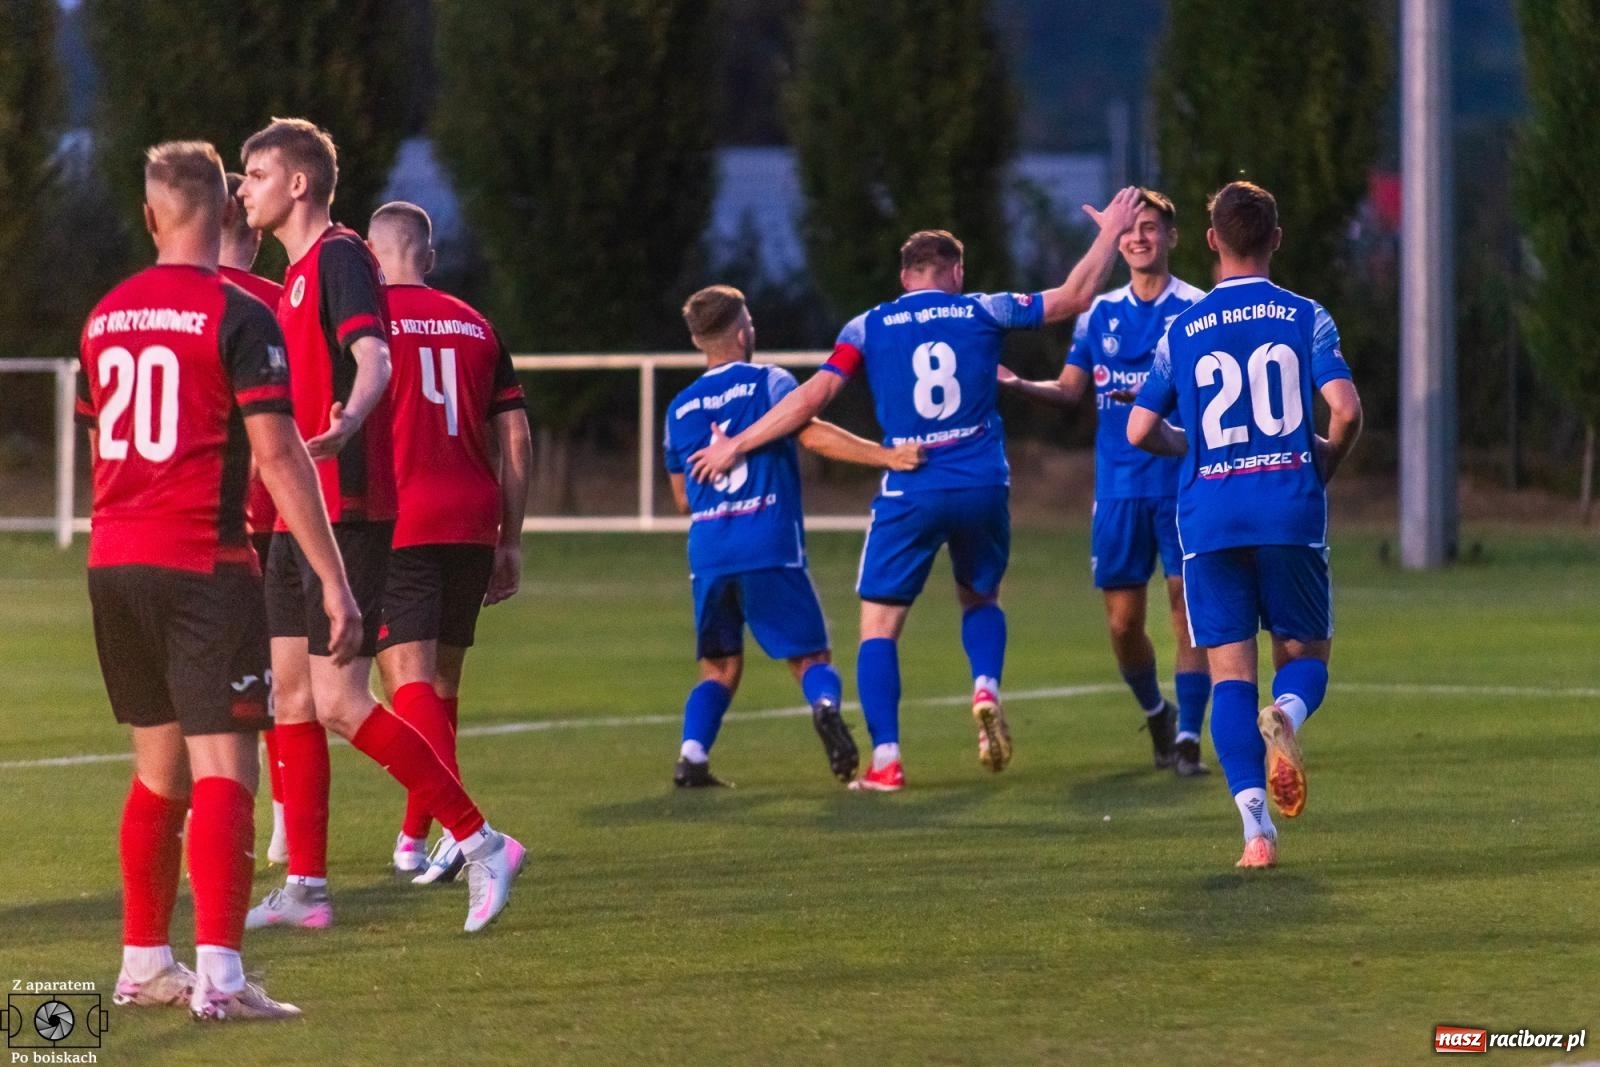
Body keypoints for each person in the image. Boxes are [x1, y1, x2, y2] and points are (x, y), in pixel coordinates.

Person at [691, 188, 1145, 791]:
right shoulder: (985, 308)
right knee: (981, 599)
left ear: (905, 277)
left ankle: (887, 760)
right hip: (982, 481)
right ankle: (985, 685)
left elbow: (812, 401)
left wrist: (737, 443)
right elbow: (1073, 298)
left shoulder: (868, 324)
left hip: (910, 484)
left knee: (879, 627)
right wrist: (1109, 232)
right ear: (955, 273)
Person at [80, 140, 356, 1020]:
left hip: (114, 563)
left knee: (158, 772)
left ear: (154, 213)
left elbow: (100, 451)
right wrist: (333, 579)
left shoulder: (104, 314)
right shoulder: (238, 314)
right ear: (227, 213)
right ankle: (224, 980)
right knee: (227, 770)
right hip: (203, 562)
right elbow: (277, 455)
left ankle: (143, 963)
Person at [238, 118, 523, 931]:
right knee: (289, 695)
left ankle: (479, 839)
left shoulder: (340, 256)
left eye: (256, 173)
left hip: (352, 511)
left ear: (298, 183)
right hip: (305, 511)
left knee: (338, 698)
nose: (245, 188)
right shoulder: (295, 277)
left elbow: (377, 358)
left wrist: (351, 419)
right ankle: (308, 888)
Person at [1127, 180, 1363, 869]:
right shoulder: (1305, 315)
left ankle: (1257, 834)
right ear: (1276, 239)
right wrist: (1327, 461)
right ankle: (1286, 715)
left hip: (1211, 516)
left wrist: (1191, 444)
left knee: (1231, 675)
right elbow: (1345, 410)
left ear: (1210, 242)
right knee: (1305, 660)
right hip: (1287, 507)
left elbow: (1141, 428)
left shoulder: (1183, 328)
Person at [664, 285, 922, 788]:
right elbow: (812, 432)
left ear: (699, 341)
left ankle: (692, 757)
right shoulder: (770, 382)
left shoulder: (679, 408)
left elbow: (680, 499)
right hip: (768, 547)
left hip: (710, 552)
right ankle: (826, 708)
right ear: (743, 331)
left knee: (718, 666)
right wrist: (885, 455)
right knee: (810, 658)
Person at [999, 189, 1212, 776]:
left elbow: (1210, 397)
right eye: (1130, 230)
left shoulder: (1197, 310)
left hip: (1180, 482)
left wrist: (1157, 407)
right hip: (1117, 491)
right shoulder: (1100, 313)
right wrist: (1019, 384)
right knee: (1123, 624)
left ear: (1172, 237)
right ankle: (1157, 711)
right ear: (1117, 242)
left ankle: (1191, 738)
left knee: (1184, 607)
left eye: (1150, 228)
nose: (1139, 238)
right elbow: (1071, 391)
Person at [365, 201, 532, 882]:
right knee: (440, 683)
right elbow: (516, 435)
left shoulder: (365, 324)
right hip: (472, 517)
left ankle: (471, 837)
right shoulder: (476, 324)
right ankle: (414, 838)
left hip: (399, 517)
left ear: (372, 257)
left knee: (402, 684)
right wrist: (511, 537)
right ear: (428, 258)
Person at [217, 170, 292, 864]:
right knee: (277, 675)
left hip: (196, 521)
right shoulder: (277, 306)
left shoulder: (170, 302)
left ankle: (208, 821)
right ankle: (283, 822)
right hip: (269, 513)